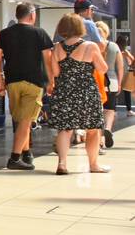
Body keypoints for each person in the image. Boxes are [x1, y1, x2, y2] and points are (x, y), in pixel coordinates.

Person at [0, 2, 57, 171]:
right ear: (32, 15)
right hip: (34, 82)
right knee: (25, 119)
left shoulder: (5, 34)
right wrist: (51, 81)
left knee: (21, 118)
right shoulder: (40, 33)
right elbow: (47, 59)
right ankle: (14, 158)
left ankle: (27, 152)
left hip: (12, 82)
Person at [46, 13, 108, 175]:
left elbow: (56, 72)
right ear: (81, 27)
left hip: (64, 92)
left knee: (65, 129)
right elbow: (103, 69)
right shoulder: (90, 46)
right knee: (93, 129)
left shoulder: (57, 48)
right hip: (87, 92)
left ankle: (62, 164)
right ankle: (93, 164)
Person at [95, 21, 123, 150]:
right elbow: (120, 66)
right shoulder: (114, 46)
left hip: (96, 81)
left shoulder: (92, 45)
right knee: (110, 109)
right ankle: (108, 128)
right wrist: (120, 82)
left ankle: (99, 139)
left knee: (98, 111)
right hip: (112, 80)